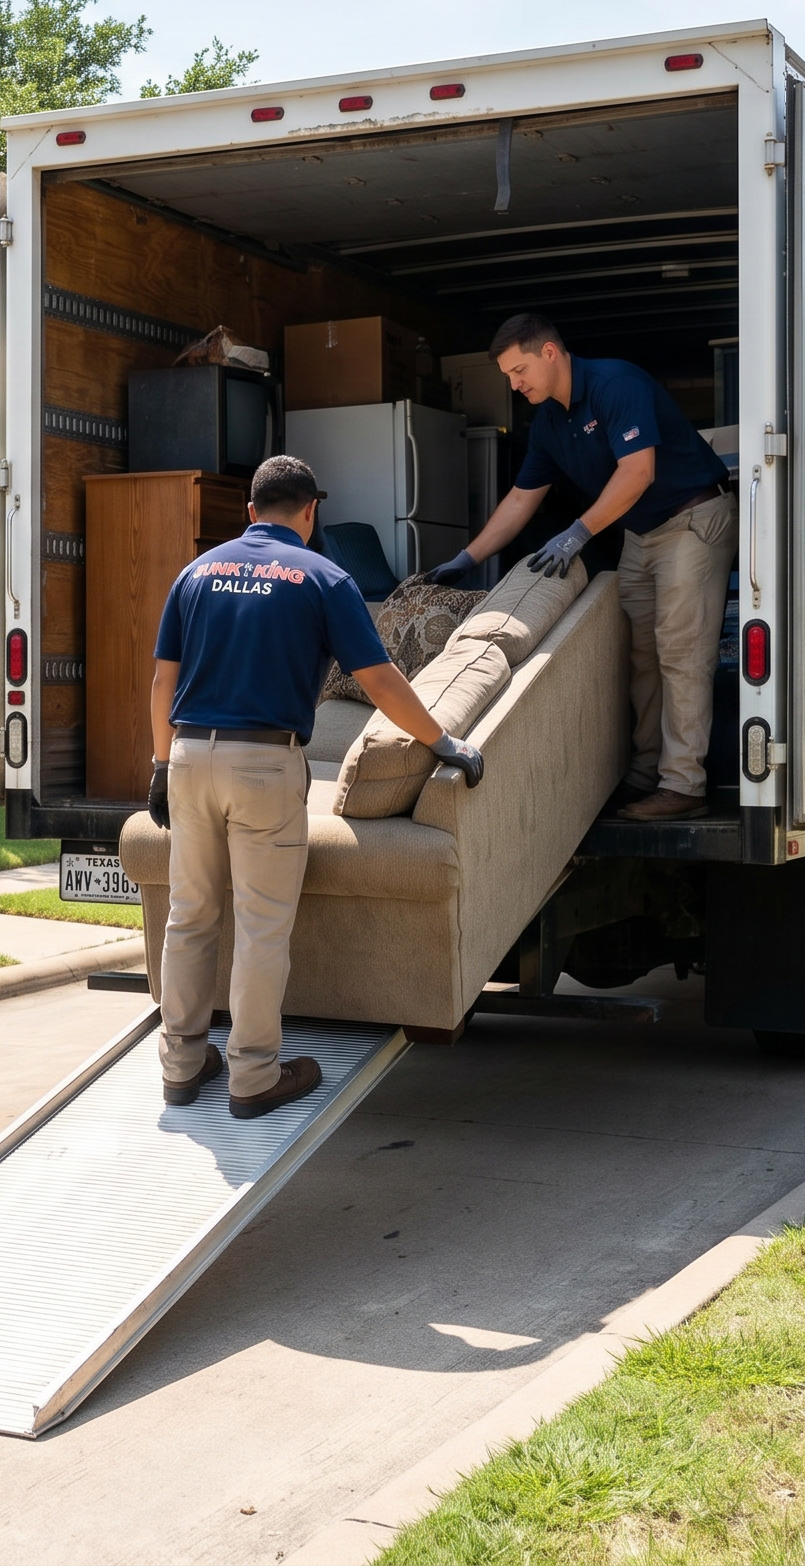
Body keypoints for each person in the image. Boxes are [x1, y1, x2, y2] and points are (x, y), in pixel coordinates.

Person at [148, 455, 484, 1118]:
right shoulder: (324, 577)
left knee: (189, 917)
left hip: (188, 755)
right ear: (311, 512)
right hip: (264, 764)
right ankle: (251, 1076)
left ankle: (182, 1065)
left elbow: (163, 681)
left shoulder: (196, 573)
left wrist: (160, 765)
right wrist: (444, 742)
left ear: (249, 512)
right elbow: (381, 680)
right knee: (262, 926)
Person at [430, 314, 733, 822]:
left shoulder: (616, 384)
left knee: (679, 651)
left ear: (550, 353)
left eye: (519, 370)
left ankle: (685, 786)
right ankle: (644, 773)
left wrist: (577, 533)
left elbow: (638, 472)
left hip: (692, 518)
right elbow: (522, 498)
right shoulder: (550, 421)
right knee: (640, 655)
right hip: (642, 532)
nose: (515, 383)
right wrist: (467, 559)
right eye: (508, 375)